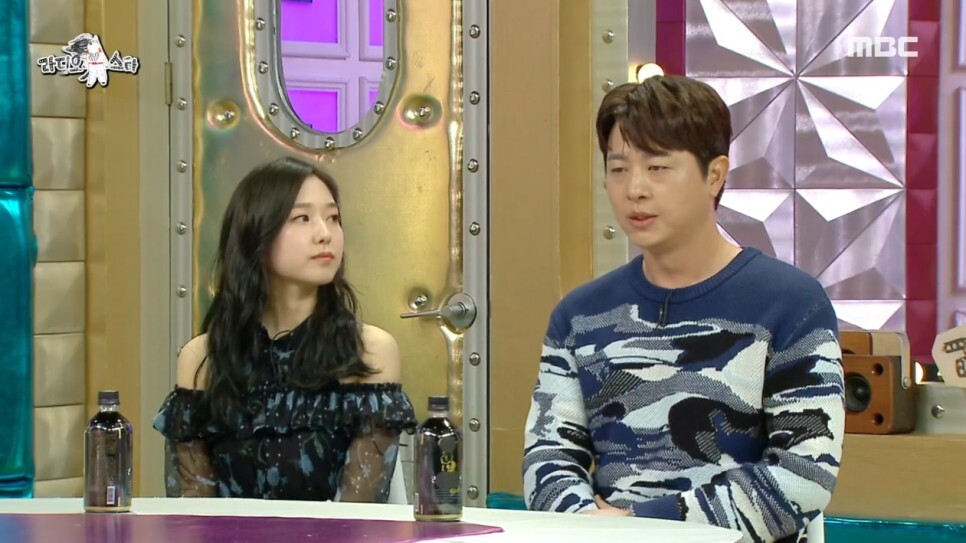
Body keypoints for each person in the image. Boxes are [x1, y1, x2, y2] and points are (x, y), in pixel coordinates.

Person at [522, 75, 845, 542]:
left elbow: (803, 477)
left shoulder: (791, 303)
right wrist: (593, 528)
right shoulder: (579, 315)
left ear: (715, 175)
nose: (634, 189)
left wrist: (643, 526)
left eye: (657, 168)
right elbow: (548, 458)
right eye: (618, 169)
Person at [153, 157, 416, 502]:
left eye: (333, 218)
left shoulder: (368, 352)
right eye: (302, 218)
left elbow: (360, 513)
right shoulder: (203, 358)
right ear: (256, 232)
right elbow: (194, 510)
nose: (325, 234)